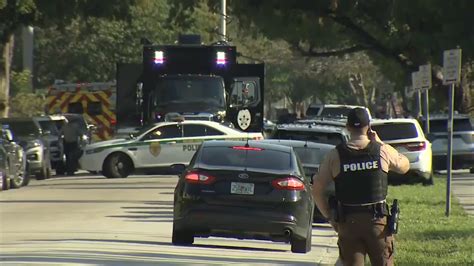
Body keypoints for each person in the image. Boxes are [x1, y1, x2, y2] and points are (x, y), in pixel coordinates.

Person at [312, 107, 409, 266]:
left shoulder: (335, 155)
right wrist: (379, 142)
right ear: (369, 126)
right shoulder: (381, 150)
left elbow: (316, 188)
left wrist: (330, 217)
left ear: (348, 127)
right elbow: (404, 165)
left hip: (348, 223)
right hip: (377, 223)